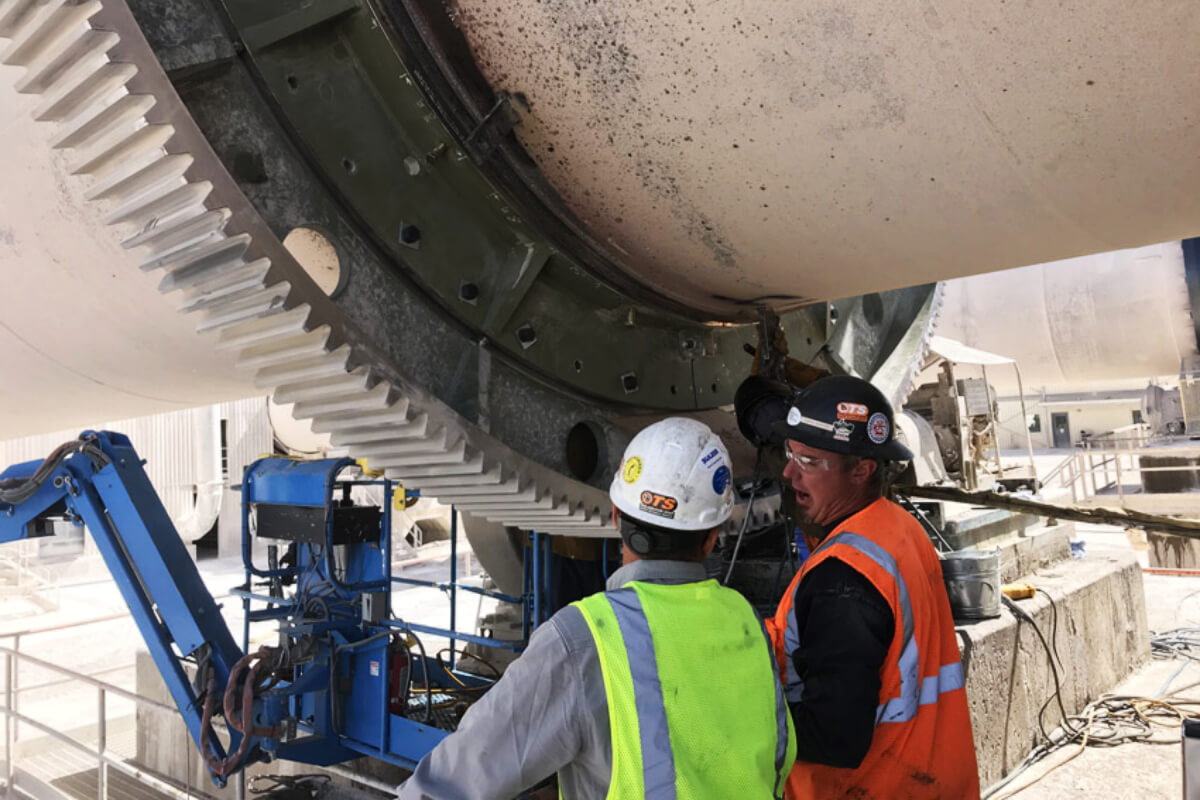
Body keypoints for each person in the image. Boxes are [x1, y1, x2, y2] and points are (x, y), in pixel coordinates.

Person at [397, 417, 795, 799]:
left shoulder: (585, 638)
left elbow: (458, 780)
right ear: (711, 538)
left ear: (615, 517)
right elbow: (775, 758)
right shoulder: (747, 623)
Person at [764, 375, 979, 799]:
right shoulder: (897, 529)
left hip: (867, 787)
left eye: (808, 460)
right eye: (790, 454)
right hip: (925, 779)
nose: (789, 473)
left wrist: (740, 714)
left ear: (861, 470)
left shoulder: (843, 581)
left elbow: (836, 737)